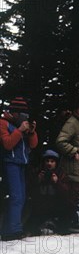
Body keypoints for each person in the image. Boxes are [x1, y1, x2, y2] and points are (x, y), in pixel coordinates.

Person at [0, 97, 38, 241]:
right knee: (16, 197)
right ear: (15, 113)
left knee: (21, 197)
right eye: (23, 114)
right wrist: (20, 130)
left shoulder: (20, 125)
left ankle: (11, 228)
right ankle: (13, 230)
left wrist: (31, 132)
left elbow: (33, 145)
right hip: (9, 163)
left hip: (22, 163)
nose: (25, 117)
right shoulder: (4, 123)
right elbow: (7, 144)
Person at [55, 95, 79, 233]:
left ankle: (71, 222)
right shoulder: (73, 123)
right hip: (71, 167)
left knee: (74, 196)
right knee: (70, 197)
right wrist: (73, 151)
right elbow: (60, 141)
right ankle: (67, 225)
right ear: (75, 110)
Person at [26, 150, 70, 235]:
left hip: (56, 207)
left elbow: (66, 193)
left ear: (56, 163)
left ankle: (56, 224)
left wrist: (57, 182)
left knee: (64, 228)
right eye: (47, 161)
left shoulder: (61, 173)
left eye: (52, 161)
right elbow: (30, 191)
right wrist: (37, 180)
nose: (49, 164)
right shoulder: (38, 172)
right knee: (31, 228)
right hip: (40, 208)